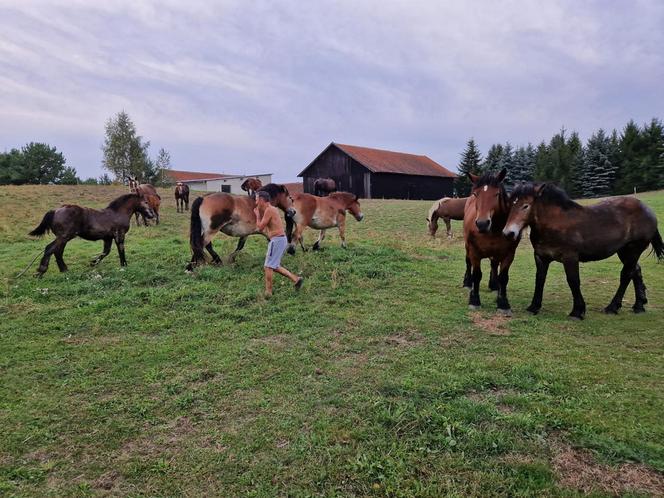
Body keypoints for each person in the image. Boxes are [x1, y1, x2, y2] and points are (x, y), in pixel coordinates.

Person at [254, 191, 303, 296]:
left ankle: (268, 292)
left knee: (268, 266)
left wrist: (257, 215)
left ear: (262, 200)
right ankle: (296, 279)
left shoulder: (269, 210)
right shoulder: (272, 209)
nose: (256, 201)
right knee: (274, 266)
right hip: (279, 240)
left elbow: (260, 228)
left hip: (277, 240)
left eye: (257, 199)